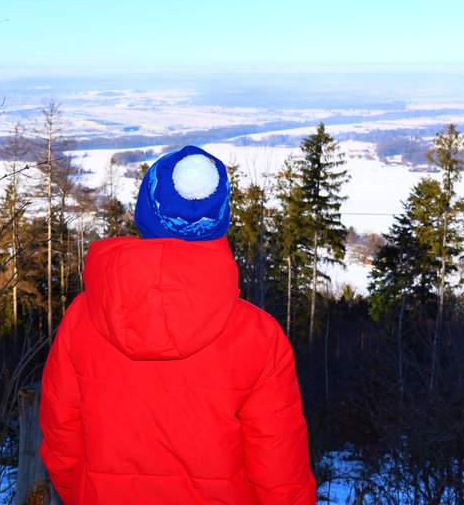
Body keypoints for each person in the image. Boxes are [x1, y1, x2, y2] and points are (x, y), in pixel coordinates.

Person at [40, 145, 317, 504]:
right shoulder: (259, 336)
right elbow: (282, 477)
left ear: (146, 211)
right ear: (219, 220)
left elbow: (61, 443)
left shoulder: (83, 318)